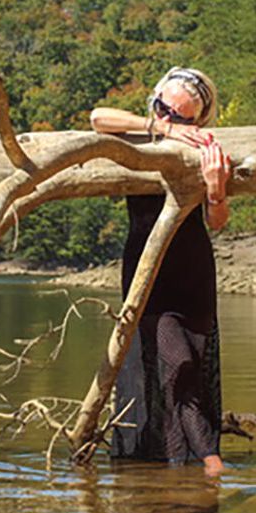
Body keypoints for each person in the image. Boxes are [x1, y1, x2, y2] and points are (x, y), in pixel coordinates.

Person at [89, 67, 232, 478]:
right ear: (153, 102)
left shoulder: (205, 146)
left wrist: (216, 188)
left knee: (189, 369)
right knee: (175, 363)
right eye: (162, 107)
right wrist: (160, 128)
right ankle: (209, 463)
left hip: (193, 276)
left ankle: (181, 468)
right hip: (146, 273)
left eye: (181, 116)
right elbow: (97, 117)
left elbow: (217, 220)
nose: (170, 118)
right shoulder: (133, 136)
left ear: (200, 120)